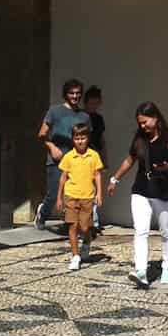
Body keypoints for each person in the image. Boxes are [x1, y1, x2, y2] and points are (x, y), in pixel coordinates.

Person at [107, 101, 168, 289]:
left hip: (164, 191)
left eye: (145, 122)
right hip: (141, 190)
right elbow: (130, 159)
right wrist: (114, 179)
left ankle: (167, 267)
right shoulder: (139, 138)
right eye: (140, 123)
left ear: (155, 118)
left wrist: (166, 167)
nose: (142, 126)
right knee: (140, 231)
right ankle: (141, 270)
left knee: (166, 230)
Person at [35, 78, 87, 228]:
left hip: (77, 161)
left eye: (78, 93)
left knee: (74, 194)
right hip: (56, 160)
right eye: (72, 93)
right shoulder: (54, 111)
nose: (75, 96)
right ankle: (42, 214)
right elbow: (41, 134)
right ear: (66, 94)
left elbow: (87, 139)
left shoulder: (84, 116)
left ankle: (69, 223)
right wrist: (51, 147)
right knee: (53, 194)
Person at [54, 123, 103, 271]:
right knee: (72, 226)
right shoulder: (68, 157)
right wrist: (59, 197)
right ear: (73, 139)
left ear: (87, 138)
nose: (80, 141)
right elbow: (63, 177)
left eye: (83, 138)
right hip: (70, 196)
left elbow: (97, 175)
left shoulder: (93, 155)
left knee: (85, 227)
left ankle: (86, 244)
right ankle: (75, 256)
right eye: (77, 138)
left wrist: (99, 193)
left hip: (87, 197)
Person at [84, 85, 107, 229]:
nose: (94, 106)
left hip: (96, 156)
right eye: (91, 103)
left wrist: (105, 158)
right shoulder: (81, 116)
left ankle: (93, 221)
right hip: (83, 157)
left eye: (96, 103)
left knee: (94, 188)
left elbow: (102, 139)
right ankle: (90, 222)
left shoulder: (99, 119)